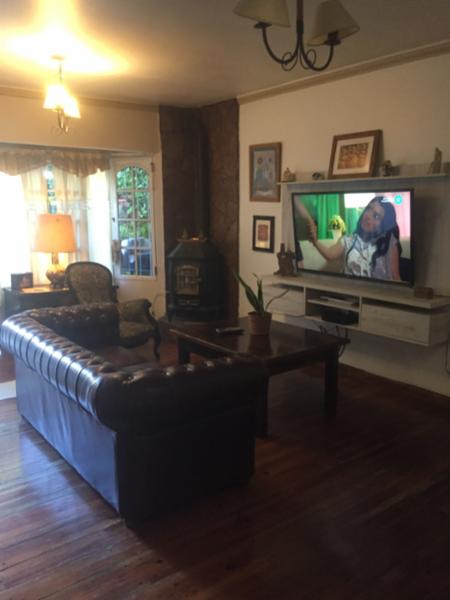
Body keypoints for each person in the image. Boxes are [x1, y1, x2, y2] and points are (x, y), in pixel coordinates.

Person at [304, 196, 402, 280]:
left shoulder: (388, 244)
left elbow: (395, 276)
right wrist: (315, 241)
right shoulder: (348, 240)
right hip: (349, 290)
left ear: (383, 224)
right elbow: (330, 255)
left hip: (376, 294)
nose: (368, 216)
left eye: (376, 216)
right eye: (368, 209)